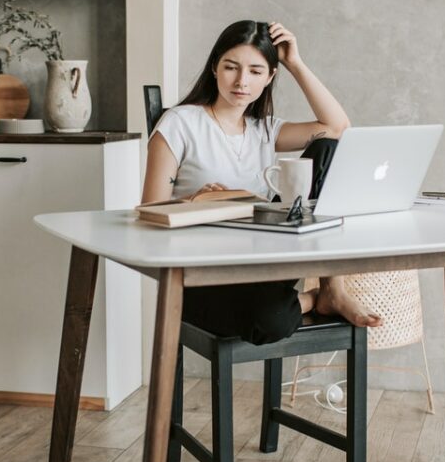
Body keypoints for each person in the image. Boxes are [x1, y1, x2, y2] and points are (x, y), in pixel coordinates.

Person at [141, 20, 383, 345]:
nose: (242, 81)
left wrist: (294, 63)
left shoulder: (265, 131)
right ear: (215, 68)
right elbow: (148, 212)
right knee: (269, 321)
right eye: (231, 67)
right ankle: (313, 299)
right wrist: (193, 201)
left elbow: (337, 127)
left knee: (327, 148)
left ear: (269, 78)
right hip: (202, 277)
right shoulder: (180, 123)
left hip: (262, 266)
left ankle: (332, 288)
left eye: (256, 71)